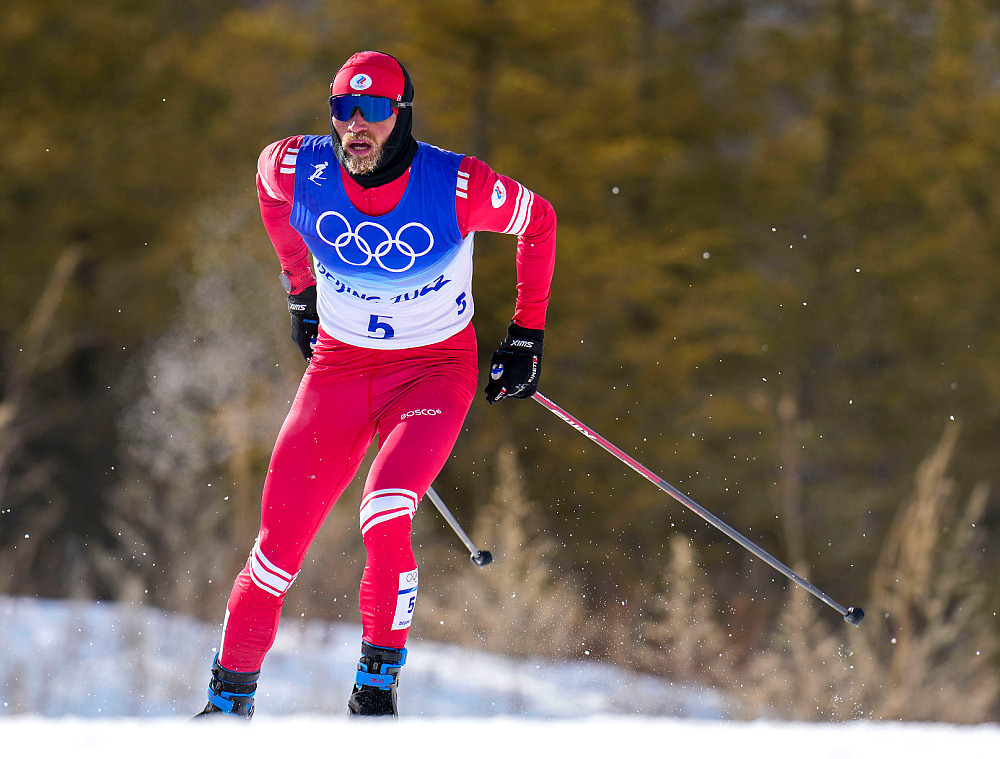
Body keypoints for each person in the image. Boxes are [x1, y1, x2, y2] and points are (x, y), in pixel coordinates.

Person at [194, 50, 556, 719]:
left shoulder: (457, 185)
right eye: (342, 109)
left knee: (385, 513)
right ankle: (225, 707)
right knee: (274, 554)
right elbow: (267, 190)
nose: (356, 124)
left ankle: (375, 691)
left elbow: (539, 220)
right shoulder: (297, 166)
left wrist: (525, 334)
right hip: (339, 370)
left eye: (375, 110)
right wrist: (298, 288)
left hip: (433, 372)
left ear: (402, 114)